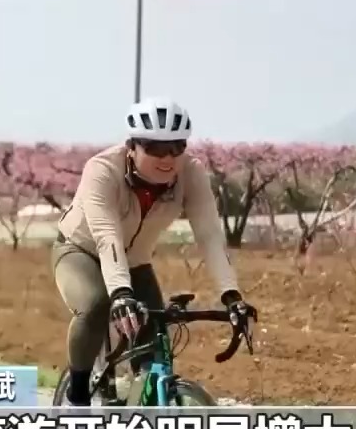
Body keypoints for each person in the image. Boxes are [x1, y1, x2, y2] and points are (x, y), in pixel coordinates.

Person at [52, 98, 258, 406]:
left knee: (153, 346)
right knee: (95, 305)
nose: (168, 158)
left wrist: (232, 296)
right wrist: (120, 294)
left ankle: (143, 415)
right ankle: (77, 395)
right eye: (155, 148)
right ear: (132, 147)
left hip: (134, 261)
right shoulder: (102, 170)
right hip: (81, 251)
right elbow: (107, 237)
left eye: (177, 147)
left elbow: (210, 236)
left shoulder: (191, 173)